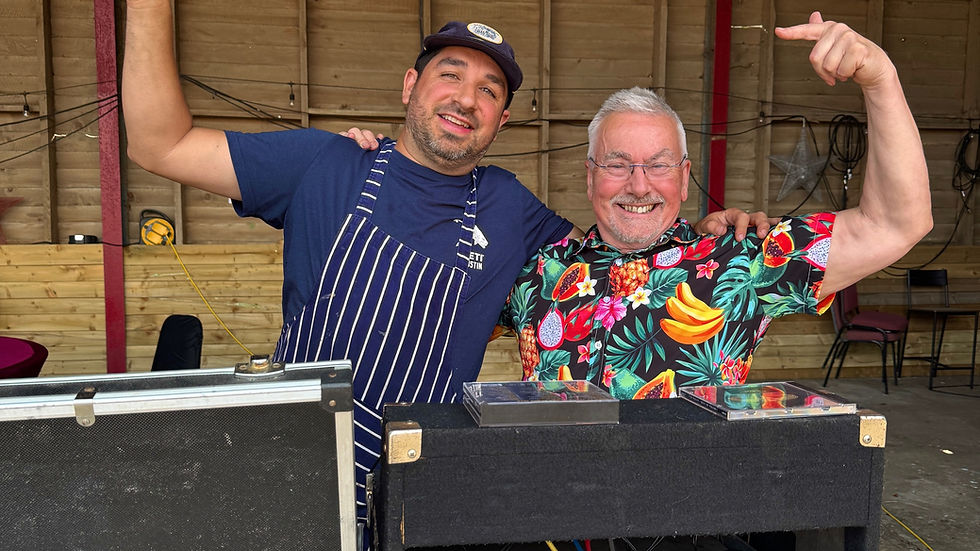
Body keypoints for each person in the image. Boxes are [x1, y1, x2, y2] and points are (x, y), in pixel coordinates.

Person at [121, 3, 755, 522]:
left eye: (489, 91)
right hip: (293, 469)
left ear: (501, 120)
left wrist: (697, 231)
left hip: (423, 489)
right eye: (450, 75)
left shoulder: (510, 207)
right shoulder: (325, 163)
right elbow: (159, 144)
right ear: (410, 86)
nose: (466, 99)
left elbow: (616, 249)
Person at [499, 12, 932, 399]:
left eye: (659, 165)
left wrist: (880, 80)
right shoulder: (533, 272)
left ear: (684, 177)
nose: (639, 185)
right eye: (617, 164)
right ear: (590, 176)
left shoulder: (741, 258)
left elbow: (896, 224)